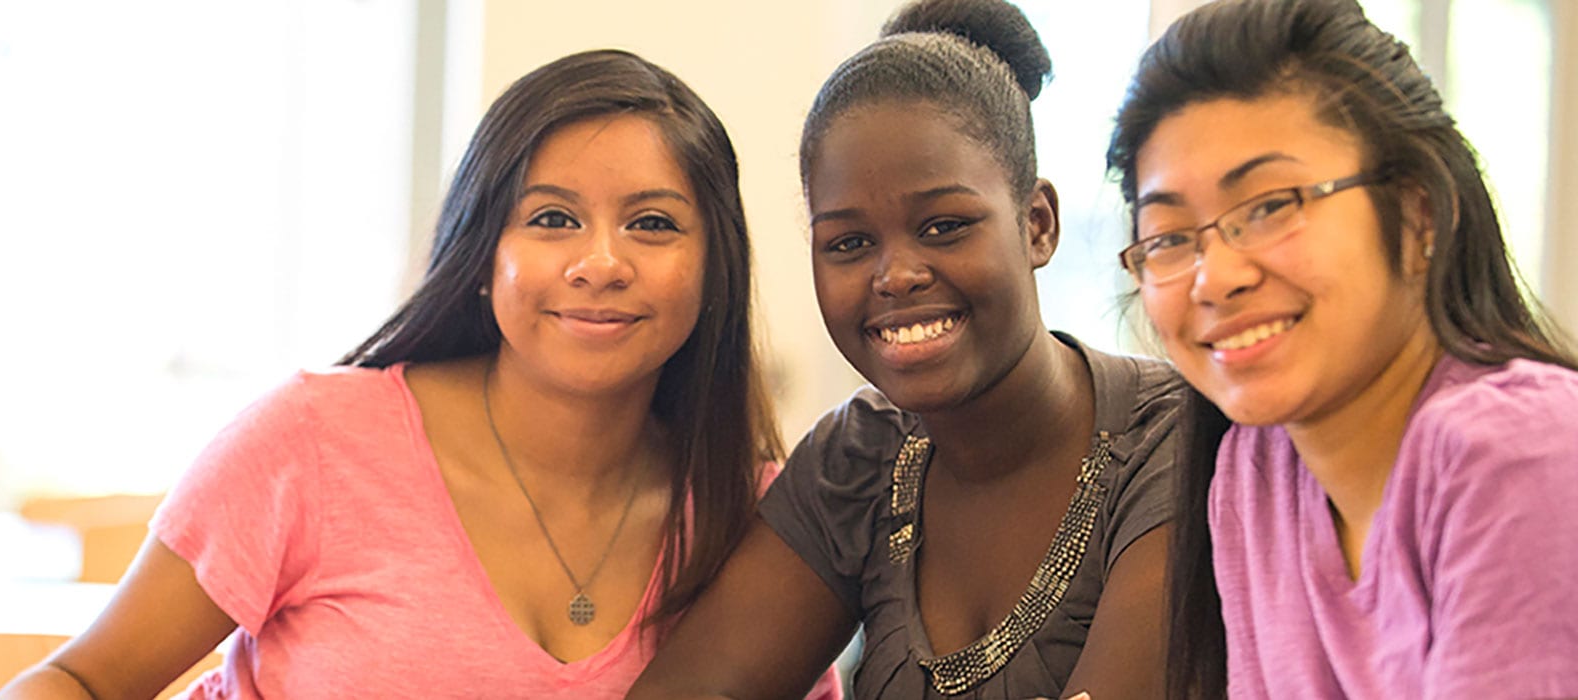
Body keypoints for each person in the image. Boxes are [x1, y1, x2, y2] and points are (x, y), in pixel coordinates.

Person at [0, 49, 838, 699]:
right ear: (483, 255)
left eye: (653, 224)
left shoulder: (759, 525)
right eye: (553, 218)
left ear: (714, 267)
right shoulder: (312, 443)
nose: (600, 262)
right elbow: (80, 681)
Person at [627, 1, 1186, 698]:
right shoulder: (860, 458)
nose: (896, 275)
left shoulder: (1174, 444)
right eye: (849, 243)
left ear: (1037, 224)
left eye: (945, 225)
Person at [1106, 0, 1578, 697]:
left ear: (1418, 212)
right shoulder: (1259, 468)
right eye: (1172, 237)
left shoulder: (1519, 452)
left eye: (1269, 206)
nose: (1216, 277)